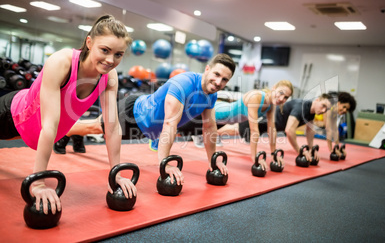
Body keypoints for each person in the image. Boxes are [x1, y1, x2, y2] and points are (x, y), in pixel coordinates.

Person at [0, 15, 136, 214]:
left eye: (118, 54)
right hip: (10, 116)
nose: (110, 60)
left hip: (33, 131)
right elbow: (49, 125)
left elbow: (112, 126)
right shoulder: (62, 62)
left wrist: (116, 173)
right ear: (89, 42)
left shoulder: (109, 77)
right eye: (105, 50)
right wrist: (38, 183)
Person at [64, 53, 236, 186]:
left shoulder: (211, 96)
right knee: (95, 128)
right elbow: (169, 124)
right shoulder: (184, 83)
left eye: (224, 79)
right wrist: (165, 164)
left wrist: (213, 161)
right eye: (216, 74)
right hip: (133, 114)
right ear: (207, 69)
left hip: (147, 129)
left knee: (94, 127)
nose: (218, 81)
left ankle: (74, 134)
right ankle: (65, 132)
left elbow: (210, 128)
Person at [183, 80, 293, 171]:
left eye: (286, 97)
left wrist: (274, 153)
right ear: (274, 87)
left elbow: (272, 129)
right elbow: (254, 131)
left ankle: (200, 135)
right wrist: (255, 158)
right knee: (178, 130)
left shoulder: (271, 106)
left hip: (222, 122)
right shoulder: (256, 97)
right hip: (214, 113)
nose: (282, 99)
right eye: (281, 93)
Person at [235, 93, 332, 164]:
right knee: (234, 130)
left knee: (234, 129)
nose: (323, 110)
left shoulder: (311, 113)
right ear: (317, 100)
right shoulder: (301, 107)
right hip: (262, 121)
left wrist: (310, 149)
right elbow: (289, 131)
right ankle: (219, 128)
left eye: (326, 109)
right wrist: (300, 152)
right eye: (323, 106)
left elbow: (310, 131)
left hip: (270, 128)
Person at [323, 92, 356, 158]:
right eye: (344, 107)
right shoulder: (330, 108)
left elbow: (335, 130)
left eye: (347, 109)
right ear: (339, 103)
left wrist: (338, 147)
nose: (344, 110)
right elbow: (328, 130)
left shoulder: (336, 113)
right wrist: (331, 150)